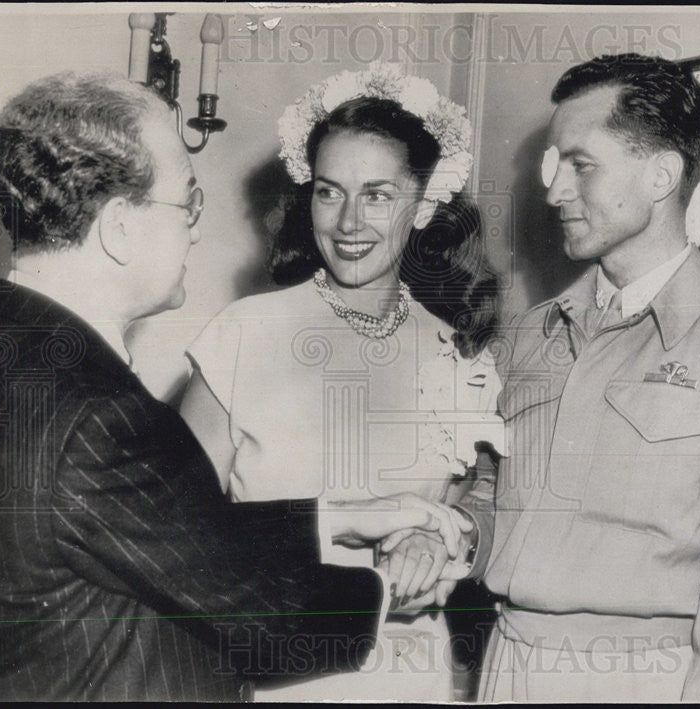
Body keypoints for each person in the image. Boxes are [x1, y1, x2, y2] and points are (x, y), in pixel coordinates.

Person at [0, 72, 467, 701]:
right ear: (119, 227)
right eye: (187, 201)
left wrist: (345, 516)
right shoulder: (101, 417)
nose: (196, 226)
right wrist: (392, 584)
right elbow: (263, 623)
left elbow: (174, 533)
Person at [462, 54, 700, 701]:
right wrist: (451, 532)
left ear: (661, 175)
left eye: (581, 165)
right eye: (553, 164)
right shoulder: (530, 334)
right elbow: (489, 490)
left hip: (639, 680)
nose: (554, 191)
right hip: (506, 664)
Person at [179, 64, 504, 701]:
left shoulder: (457, 347)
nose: (349, 221)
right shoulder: (244, 333)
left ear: (424, 203)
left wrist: (433, 534)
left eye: (378, 195)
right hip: (274, 672)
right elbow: (179, 532)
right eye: (330, 192)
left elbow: (474, 500)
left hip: (411, 669)